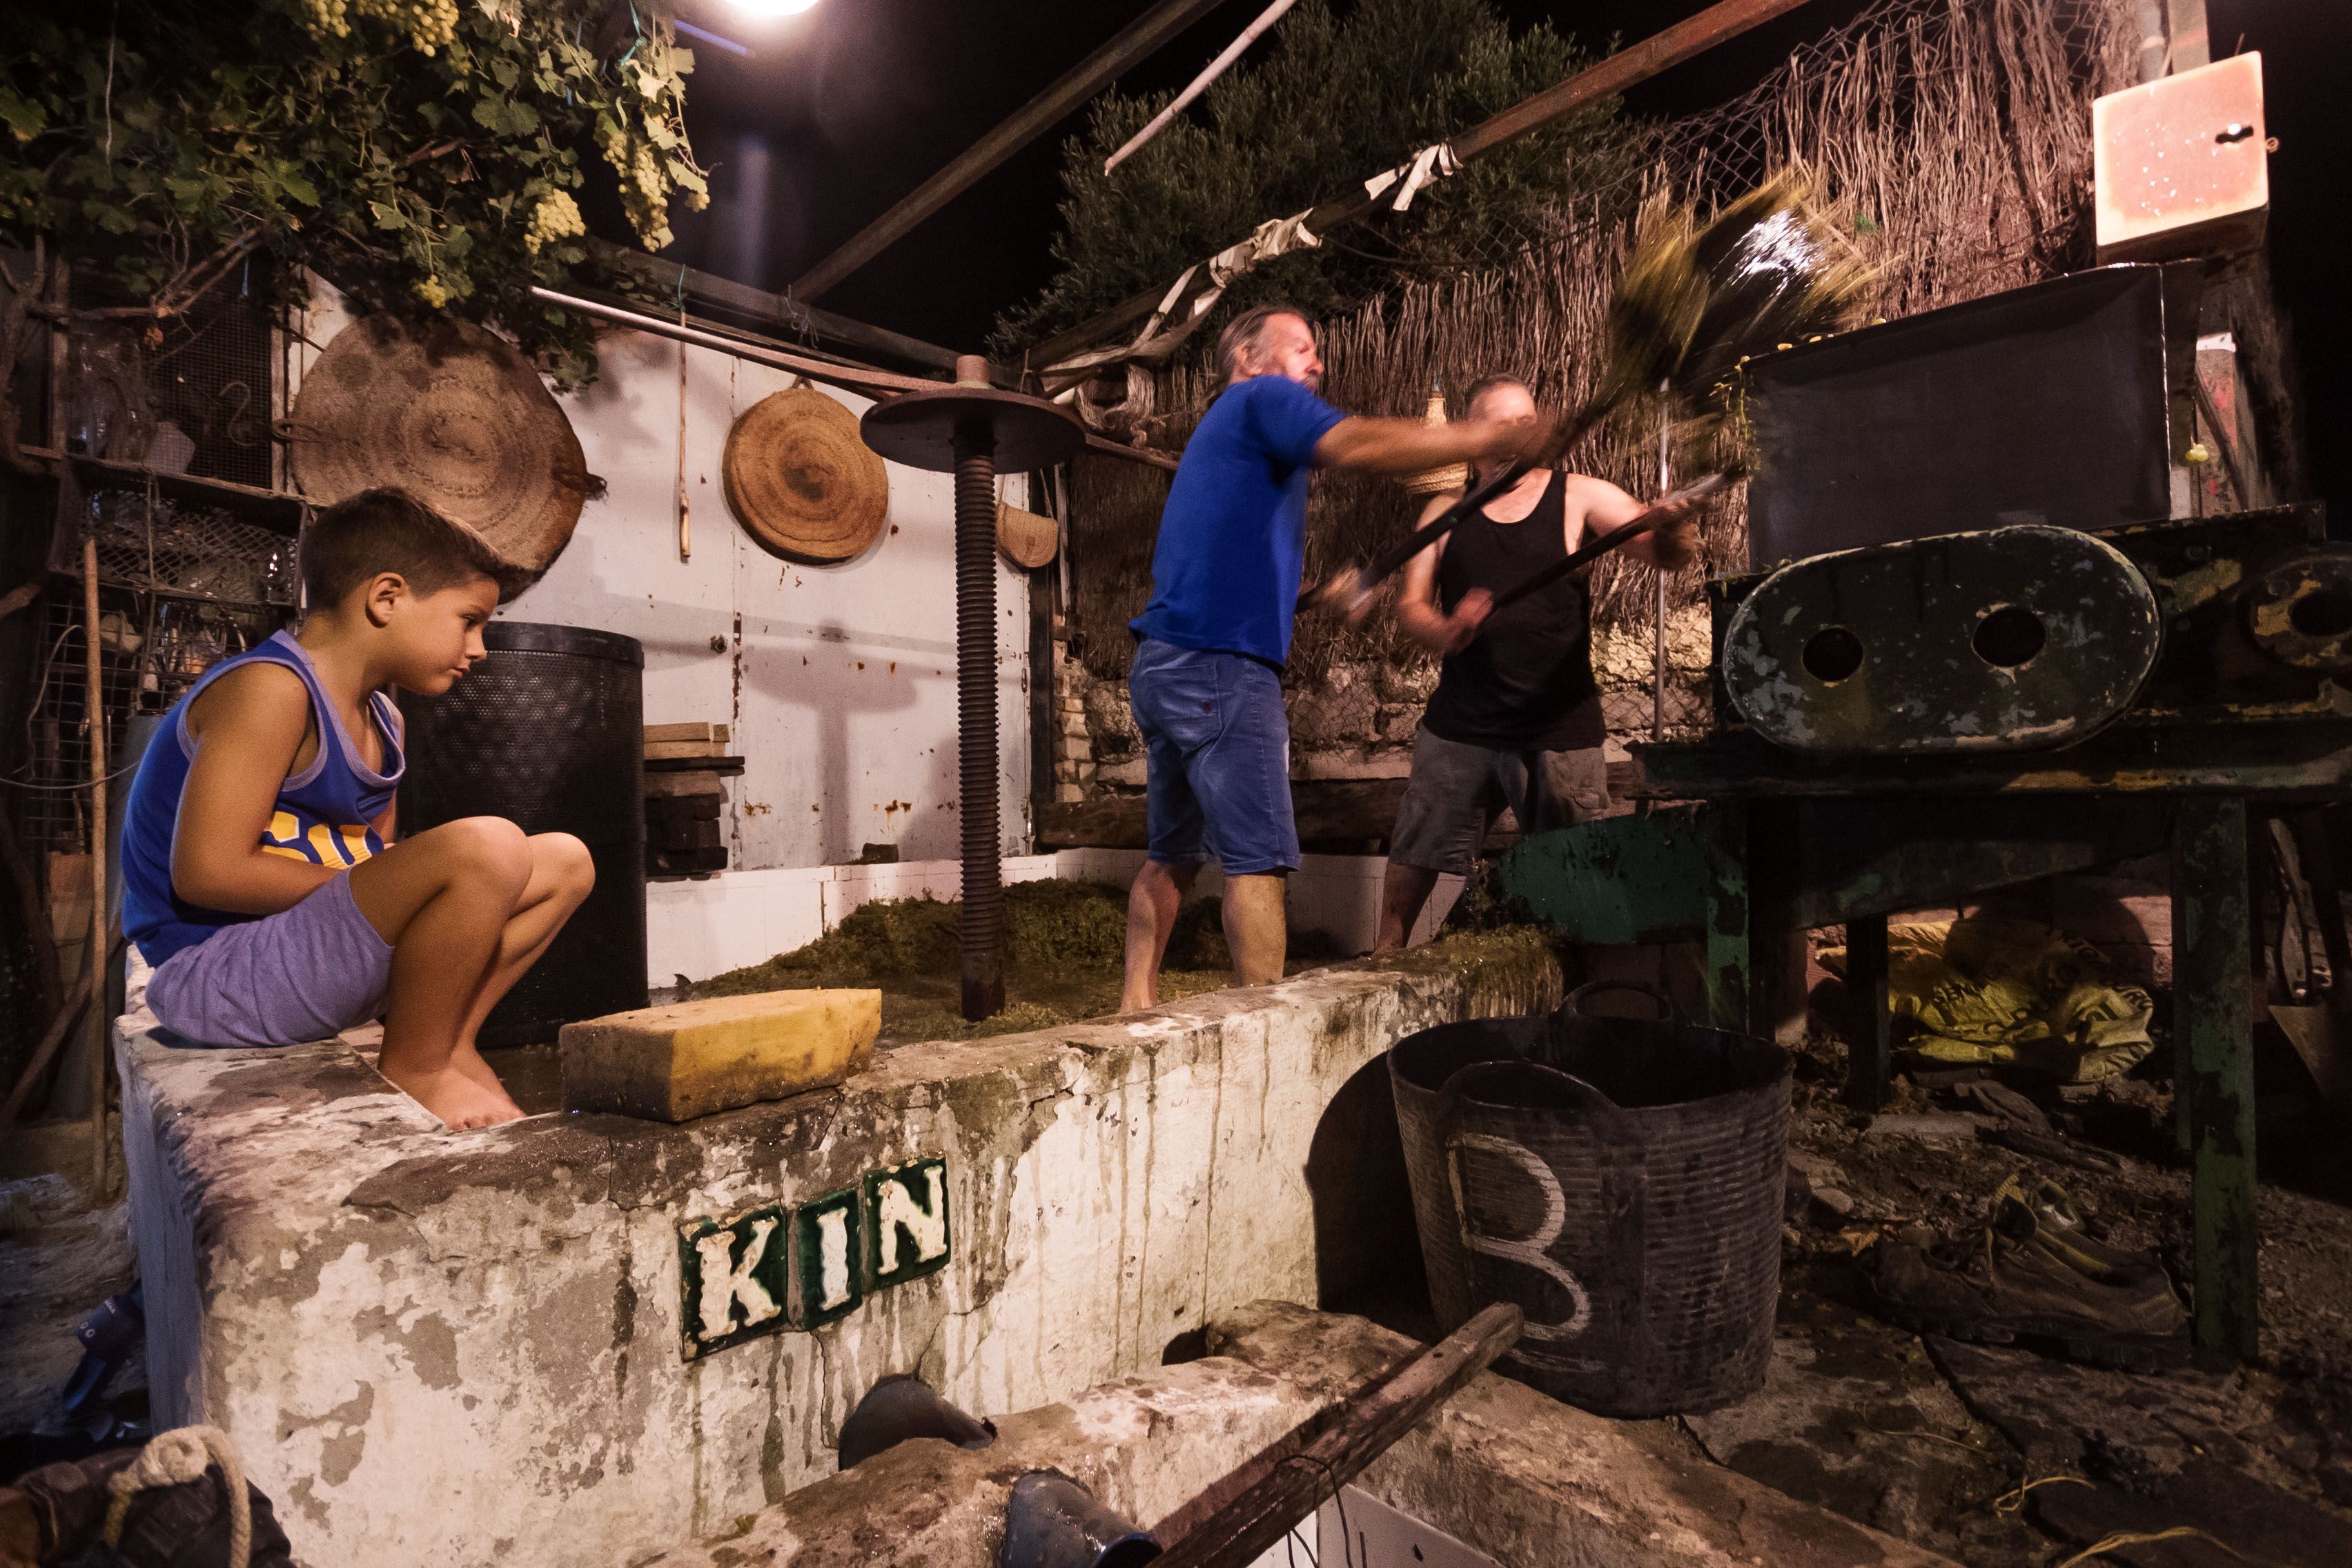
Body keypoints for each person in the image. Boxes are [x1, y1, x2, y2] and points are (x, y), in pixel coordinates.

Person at [118, 488, 595, 1128]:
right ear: (387, 598)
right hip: (215, 973)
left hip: (304, 961)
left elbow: (371, 862)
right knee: (489, 847)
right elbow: (206, 873)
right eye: (469, 620)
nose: (479, 648)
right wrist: (393, 887)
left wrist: (397, 886)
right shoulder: (271, 690)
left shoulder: (385, 721)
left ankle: (449, 1045)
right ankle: (417, 1065)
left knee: (567, 861)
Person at [1120, 306, 1540, 1010]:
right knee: (1257, 863)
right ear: (1250, 358)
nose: (1316, 365)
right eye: (1303, 348)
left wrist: (1313, 595)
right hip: (1223, 668)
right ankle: (1263, 1037)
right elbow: (1359, 444)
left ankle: (1134, 1008)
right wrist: (1489, 435)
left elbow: (1220, 559)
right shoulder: (1261, 397)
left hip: (1166, 664)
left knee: (1172, 854)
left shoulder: (1224, 433)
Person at [1375, 373, 1696, 950]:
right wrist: (1446, 630)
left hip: (1558, 726)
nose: (1522, 433)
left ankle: (1585, 981)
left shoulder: (1580, 495)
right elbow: (1410, 607)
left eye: (1528, 421)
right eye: (1505, 422)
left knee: (1580, 872)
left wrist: (1673, 526)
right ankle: (1381, 961)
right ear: (1474, 435)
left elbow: (1662, 553)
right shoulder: (1443, 514)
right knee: (1415, 852)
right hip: (1461, 724)